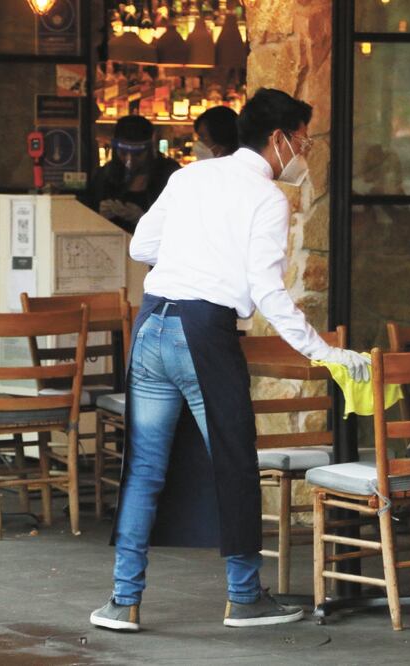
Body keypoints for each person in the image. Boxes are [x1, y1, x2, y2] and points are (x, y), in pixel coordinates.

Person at [90, 88, 370, 633]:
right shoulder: (268, 199)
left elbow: (141, 248)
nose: (306, 151)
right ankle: (244, 597)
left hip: (152, 323)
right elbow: (267, 290)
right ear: (278, 139)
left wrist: (193, 246)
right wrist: (325, 352)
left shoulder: (190, 176)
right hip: (203, 332)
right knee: (235, 461)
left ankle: (122, 602)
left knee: (144, 469)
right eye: (304, 140)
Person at [87, 115, 180, 234]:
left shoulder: (170, 174)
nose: (129, 159)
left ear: (150, 149)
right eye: (123, 153)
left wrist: (144, 218)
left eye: (138, 154)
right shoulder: (105, 174)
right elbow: (87, 213)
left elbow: (183, 220)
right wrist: (97, 214)